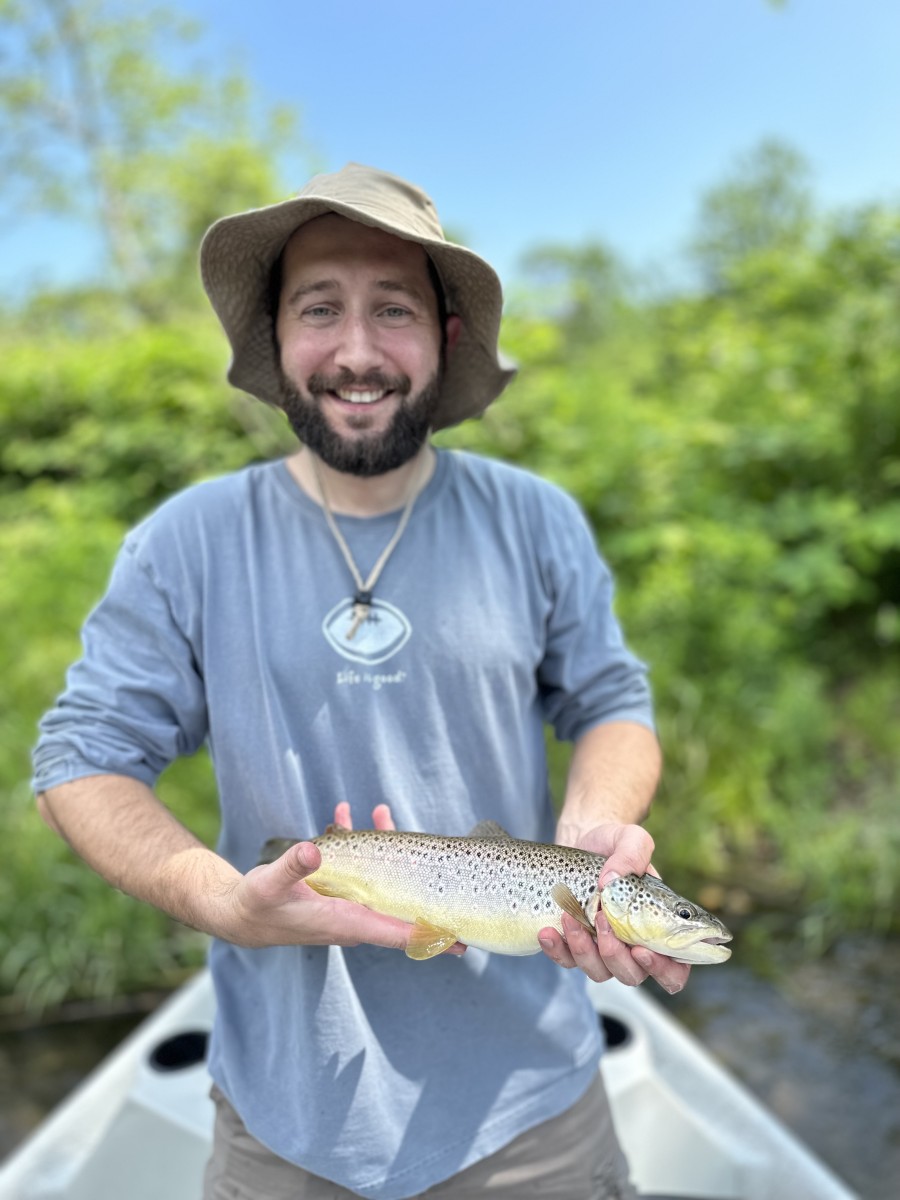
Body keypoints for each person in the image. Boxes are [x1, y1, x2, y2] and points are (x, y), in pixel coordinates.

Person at [33, 163, 690, 1200]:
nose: (354, 349)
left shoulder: (535, 521)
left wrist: (597, 822)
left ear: (448, 337)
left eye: (392, 308)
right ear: (276, 339)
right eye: (318, 309)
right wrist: (224, 901)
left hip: (532, 1118)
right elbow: (79, 757)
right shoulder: (184, 542)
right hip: (286, 1123)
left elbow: (612, 700)